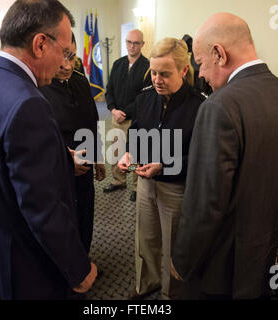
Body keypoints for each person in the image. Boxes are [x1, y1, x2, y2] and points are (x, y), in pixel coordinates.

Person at [0, 0, 97, 299]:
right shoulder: (29, 103)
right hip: (28, 263)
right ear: (40, 44)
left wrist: (59, 159)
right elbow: (41, 208)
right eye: (63, 51)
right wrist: (78, 268)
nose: (63, 63)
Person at [171, 12, 278, 300]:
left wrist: (181, 261)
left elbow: (205, 205)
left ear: (218, 53)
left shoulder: (220, 106)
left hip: (216, 270)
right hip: (258, 260)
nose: (200, 75)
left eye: (200, 63)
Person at [118, 37, 205, 300]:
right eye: (154, 73)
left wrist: (164, 167)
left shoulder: (200, 106)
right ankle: (147, 284)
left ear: (183, 70)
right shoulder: (145, 98)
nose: (157, 79)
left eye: (164, 74)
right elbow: (135, 133)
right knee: (146, 240)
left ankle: (170, 295)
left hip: (176, 188)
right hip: (145, 183)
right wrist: (129, 154)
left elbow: (201, 158)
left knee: (173, 247)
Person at [39, 33, 106, 255]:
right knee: (63, 221)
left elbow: (92, 120)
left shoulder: (80, 80)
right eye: (62, 58)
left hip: (85, 162)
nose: (67, 66)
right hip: (58, 168)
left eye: (72, 58)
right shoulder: (38, 87)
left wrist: (98, 158)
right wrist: (66, 163)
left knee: (85, 215)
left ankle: (84, 260)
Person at [103, 29, 150, 202]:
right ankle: (118, 181)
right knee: (116, 151)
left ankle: (137, 187)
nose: (132, 46)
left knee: (135, 153)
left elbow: (144, 96)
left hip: (136, 119)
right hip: (117, 116)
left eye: (136, 43)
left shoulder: (148, 66)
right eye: (129, 42)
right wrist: (113, 109)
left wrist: (126, 112)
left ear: (142, 44)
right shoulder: (118, 64)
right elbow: (109, 90)